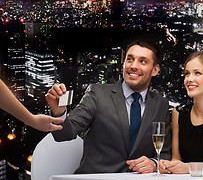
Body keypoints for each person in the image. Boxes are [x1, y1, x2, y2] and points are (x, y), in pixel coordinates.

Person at [46, 39, 171, 174]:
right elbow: (64, 134)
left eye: (143, 61)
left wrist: (154, 164)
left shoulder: (161, 104)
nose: (134, 66)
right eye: (129, 59)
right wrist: (59, 113)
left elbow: (165, 153)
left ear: (155, 70)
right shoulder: (97, 93)